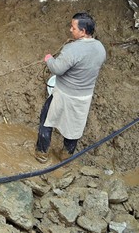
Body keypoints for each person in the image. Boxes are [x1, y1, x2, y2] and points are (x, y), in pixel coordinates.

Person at [34, 12, 106, 163]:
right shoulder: (100, 48)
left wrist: (49, 59)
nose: (70, 30)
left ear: (83, 31)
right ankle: (66, 156)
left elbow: (57, 69)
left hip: (64, 94)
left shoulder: (72, 49)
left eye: (73, 27)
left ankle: (42, 153)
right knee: (74, 127)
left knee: (46, 121)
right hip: (83, 97)